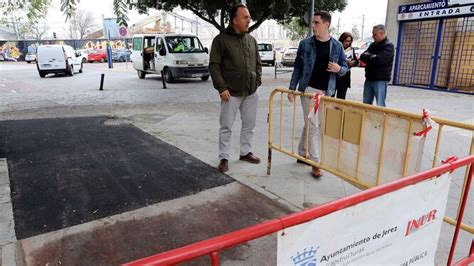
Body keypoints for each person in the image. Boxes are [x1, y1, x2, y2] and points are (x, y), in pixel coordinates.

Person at [288, 10, 348, 178]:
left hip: (327, 92)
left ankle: (302, 152)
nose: (313, 25)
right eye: (312, 22)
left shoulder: (337, 46)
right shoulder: (305, 44)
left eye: (316, 23)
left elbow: (344, 68)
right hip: (309, 91)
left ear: (326, 25)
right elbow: (298, 68)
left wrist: (339, 69)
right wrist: (293, 88)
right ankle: (315, 163)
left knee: (310, 124)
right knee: (314, 126)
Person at [209, 4, 262, 173]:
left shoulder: (251, 40)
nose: (249, 20)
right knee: (226, 126)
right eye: (245, 17)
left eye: (249, 17)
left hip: (251, 91)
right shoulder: (221, 40)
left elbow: (258, 63)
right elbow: (214, 66)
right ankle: (224, 158)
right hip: (230, 92)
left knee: (249, 124)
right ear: (235, 20)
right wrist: (221, 87)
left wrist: (257, 81)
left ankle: (245, 152)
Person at [360, 25, 394, 107]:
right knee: (366, 103)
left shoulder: (388, 46)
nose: (372, 36)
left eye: (375, 34)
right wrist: (373, 56)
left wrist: (371, 57)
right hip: (369, 78)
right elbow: (363, 56)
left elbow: (380, 59)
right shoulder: (372, 45)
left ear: (382, 33)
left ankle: (380, 119)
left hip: (380, 80)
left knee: (380, 104)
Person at [334, 32, 358, 99]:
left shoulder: (351, 49)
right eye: (346, 41)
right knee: (331, 98)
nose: (347, 43)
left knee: (341, 98)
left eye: (349, 41)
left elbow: (356, 61)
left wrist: (353, 62)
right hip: (335, 76)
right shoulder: (336, 47)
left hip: (345, 77)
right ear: (342, 40)